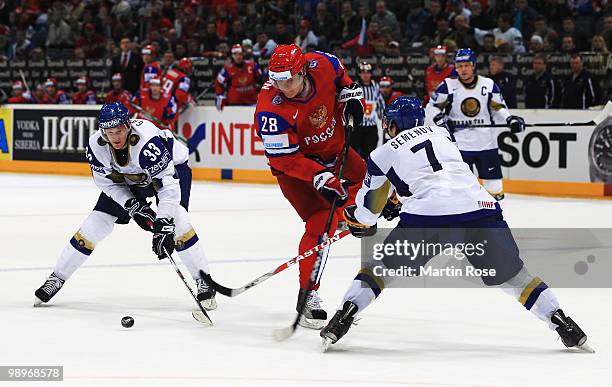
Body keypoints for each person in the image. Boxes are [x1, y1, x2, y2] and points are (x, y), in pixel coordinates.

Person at [320, 96, 590, 353]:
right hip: (480, 210)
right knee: (513, 276)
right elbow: (439, 176)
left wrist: (357, 219)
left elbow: (368, 214)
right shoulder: (442, 134)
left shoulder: (382, 153)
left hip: (426, 219)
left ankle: (345, 315)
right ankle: (562, 321)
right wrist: (400, 201)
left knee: (379, 270)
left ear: (390, 124)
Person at [34, 102, 216, 310]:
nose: (116, 137)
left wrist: (163, 223)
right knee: (95, 223)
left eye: (119, 130)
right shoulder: (96, 146)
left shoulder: (147, 142)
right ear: (103, 131)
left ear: (128, 125)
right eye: (110, 132)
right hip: (128, 180)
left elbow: (167, 185)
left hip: (170, 172)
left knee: (179, 221)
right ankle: (57, 277)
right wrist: (133, 205)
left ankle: (204, 281)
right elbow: (107, 184)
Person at [254, 44, 366, 329]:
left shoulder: (323, 63)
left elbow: (342, 77)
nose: (282, 86)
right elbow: (287, 159)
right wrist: (320, 177)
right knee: (320, 223)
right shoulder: (270, 109)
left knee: (369, 180)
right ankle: (308, 294)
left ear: (303, 70)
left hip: (335, 150)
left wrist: (352, 96)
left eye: (288, 79)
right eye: (277, 80)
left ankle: (355, 214)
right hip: (296, 171)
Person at [425, 48, 526, 201]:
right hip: (460, 146)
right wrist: (440, 119)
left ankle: (494, 221)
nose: (463, 69)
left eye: (466, 65)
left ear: (473, 65)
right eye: (459, 66)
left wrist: (509, 119)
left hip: (486, 144)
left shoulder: (488, 84)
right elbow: (431, 106)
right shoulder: (449, 85)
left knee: (495, 190)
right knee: (460, 191)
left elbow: (499, 107)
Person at [352, 61, 385, 159]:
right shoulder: (355, 86)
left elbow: (381, 103)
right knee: (354, 153)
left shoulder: (375, 86)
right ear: (359, 74)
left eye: (368, 72)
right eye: (363, 72)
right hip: (357, 126)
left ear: (371, 74)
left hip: (371, 127)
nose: (365, 75)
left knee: (370, 153)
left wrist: (382, 117)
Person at [215, 44, 264, 111]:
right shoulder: (227, 69)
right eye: (235, 54)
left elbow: (262, 80)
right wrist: (220, 95)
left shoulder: (253, 66)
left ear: (243, 54)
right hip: (234, 104)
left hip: (252, 103)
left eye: (240, 54)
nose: (238, 56)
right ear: (232, 56)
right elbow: (218, 82)